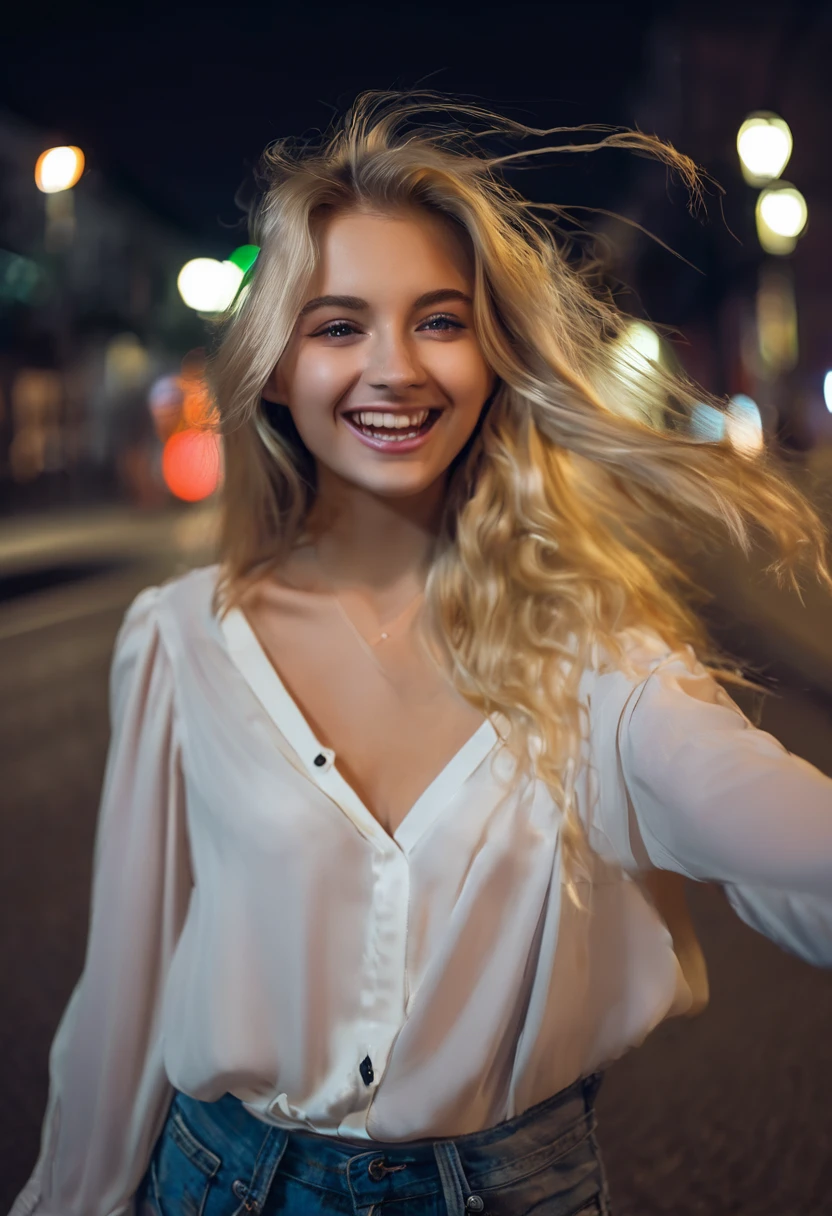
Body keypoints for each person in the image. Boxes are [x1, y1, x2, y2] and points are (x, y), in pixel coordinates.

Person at [11, 91, 832, 1216]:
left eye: (439, 321)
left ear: (494, 357)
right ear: (277, 369)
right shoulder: (179, 638)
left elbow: (784, 837)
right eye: (339, 325)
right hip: (211, 1184)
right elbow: (123, 992)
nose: (393, 368)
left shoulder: (595, 658)